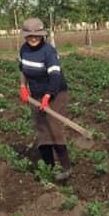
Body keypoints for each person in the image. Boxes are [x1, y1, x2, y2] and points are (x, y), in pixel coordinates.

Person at [17, 17, 72, 181]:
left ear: (42, 35)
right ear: (25, 36)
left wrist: (48, 96)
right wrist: (22, 87)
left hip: (56, 93)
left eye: (37, 35)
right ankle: (49, 167)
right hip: (35, 94)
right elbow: (23, 70)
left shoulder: (48, 51)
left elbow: (55, 76)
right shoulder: (24, 50)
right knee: (41, 129)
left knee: (53, 128)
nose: (33, 38)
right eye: (30, 35)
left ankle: (66, 168)